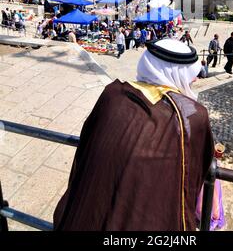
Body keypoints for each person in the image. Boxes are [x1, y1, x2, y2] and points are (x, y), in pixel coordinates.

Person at [53, 39, 214, 231]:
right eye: (191, 74)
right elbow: (194, 173)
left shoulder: (112, 94)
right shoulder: (191, 115)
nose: (194, 79)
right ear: (177, 72)